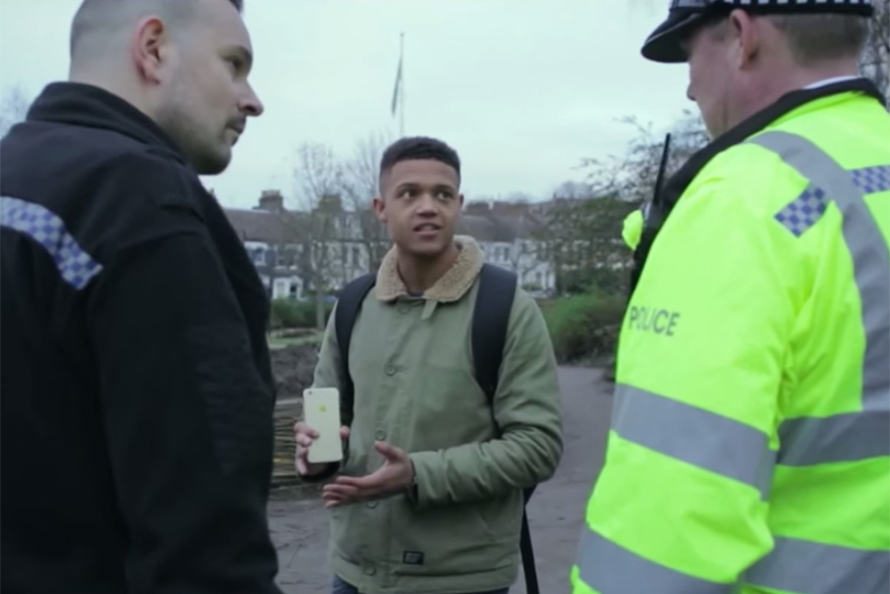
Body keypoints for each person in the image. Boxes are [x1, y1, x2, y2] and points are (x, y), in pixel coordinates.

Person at [571, 1, 889, 593]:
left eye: (691, 54)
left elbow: (670, 526)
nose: (691, 88)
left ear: (741, 37)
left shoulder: (744, 201)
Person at [0, 1, 283, 592]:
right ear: (153, 49)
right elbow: (207, 548)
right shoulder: (138, 203)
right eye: (234, 64)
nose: (252, 98)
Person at [294, 136, 564, 594]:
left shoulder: (506, 307)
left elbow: (537, 445)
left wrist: (419, 474)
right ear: (380, 207)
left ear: (459, 205)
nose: (427, 207)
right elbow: (327, 421)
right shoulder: (353, 304)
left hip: (461, 577)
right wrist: (314, 458)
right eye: (409, 193)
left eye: (442, 195)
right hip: (354, 569)